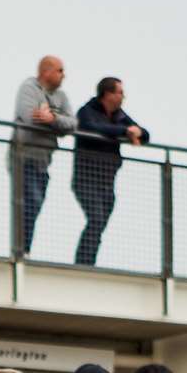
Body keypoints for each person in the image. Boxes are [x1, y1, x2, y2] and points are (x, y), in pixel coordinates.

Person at [71, 78, 148, 268]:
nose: (123, 96)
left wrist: (135, 132)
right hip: (86, 179)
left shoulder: (120, 115)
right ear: (108, 94)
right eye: (120, 92)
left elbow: (145, 134)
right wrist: (124, 131)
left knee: (99, 225)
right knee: (96, 219)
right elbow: (92, 128)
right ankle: (83, 264)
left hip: (107, 180)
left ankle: (89, 262)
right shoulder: (87, 111)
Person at [10, 57, 76, 257]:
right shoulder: (29, 88)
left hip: (43, 160)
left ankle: (24, 248)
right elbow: (30, 117)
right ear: (46, 71)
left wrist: (52, 117)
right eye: (60, 70)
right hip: (24, 156)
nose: (64, 75)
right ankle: (21, 250)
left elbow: (72, 124)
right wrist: (56, 123)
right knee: (30, 202)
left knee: (35, 204)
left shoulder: (61, 96)